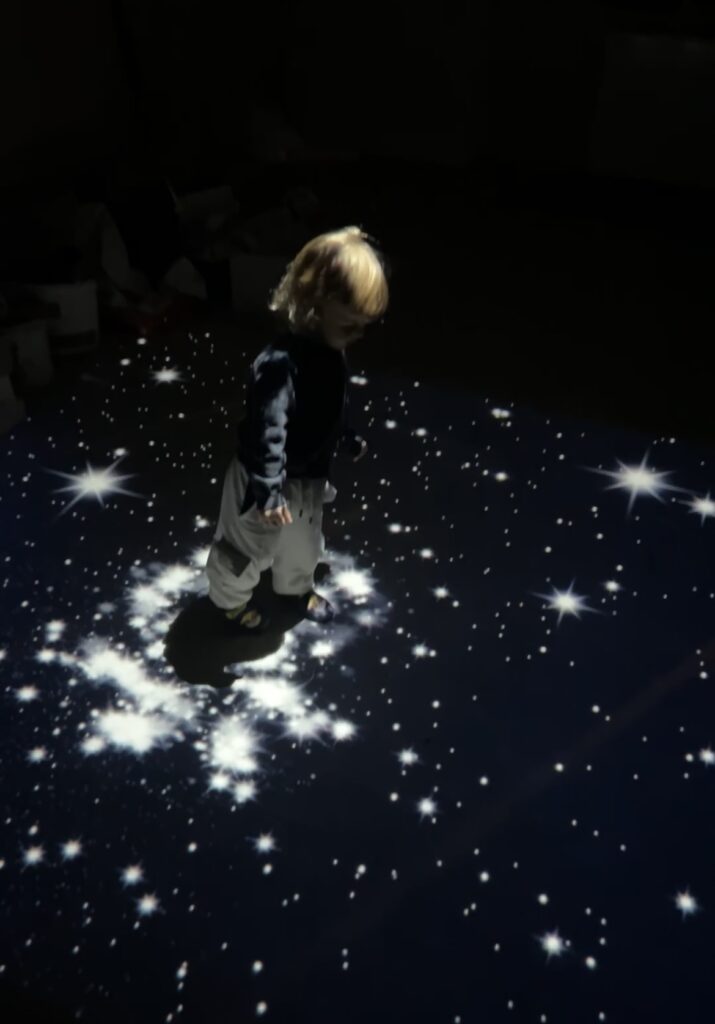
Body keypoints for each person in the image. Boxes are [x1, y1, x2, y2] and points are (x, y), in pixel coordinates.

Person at [206, 226, 389, 632]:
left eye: (363, 327)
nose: (357, 336)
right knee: (245, 549)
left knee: (302, 544)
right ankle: (230, 602)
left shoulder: (331, 353)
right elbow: (266, 431)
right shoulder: (279, 365)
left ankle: (295, 587)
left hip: (307, 477)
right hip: (262, 481)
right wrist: (268, 488)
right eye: (350, 326)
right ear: (313, 306)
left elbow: (326, 408)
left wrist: (344, 436)